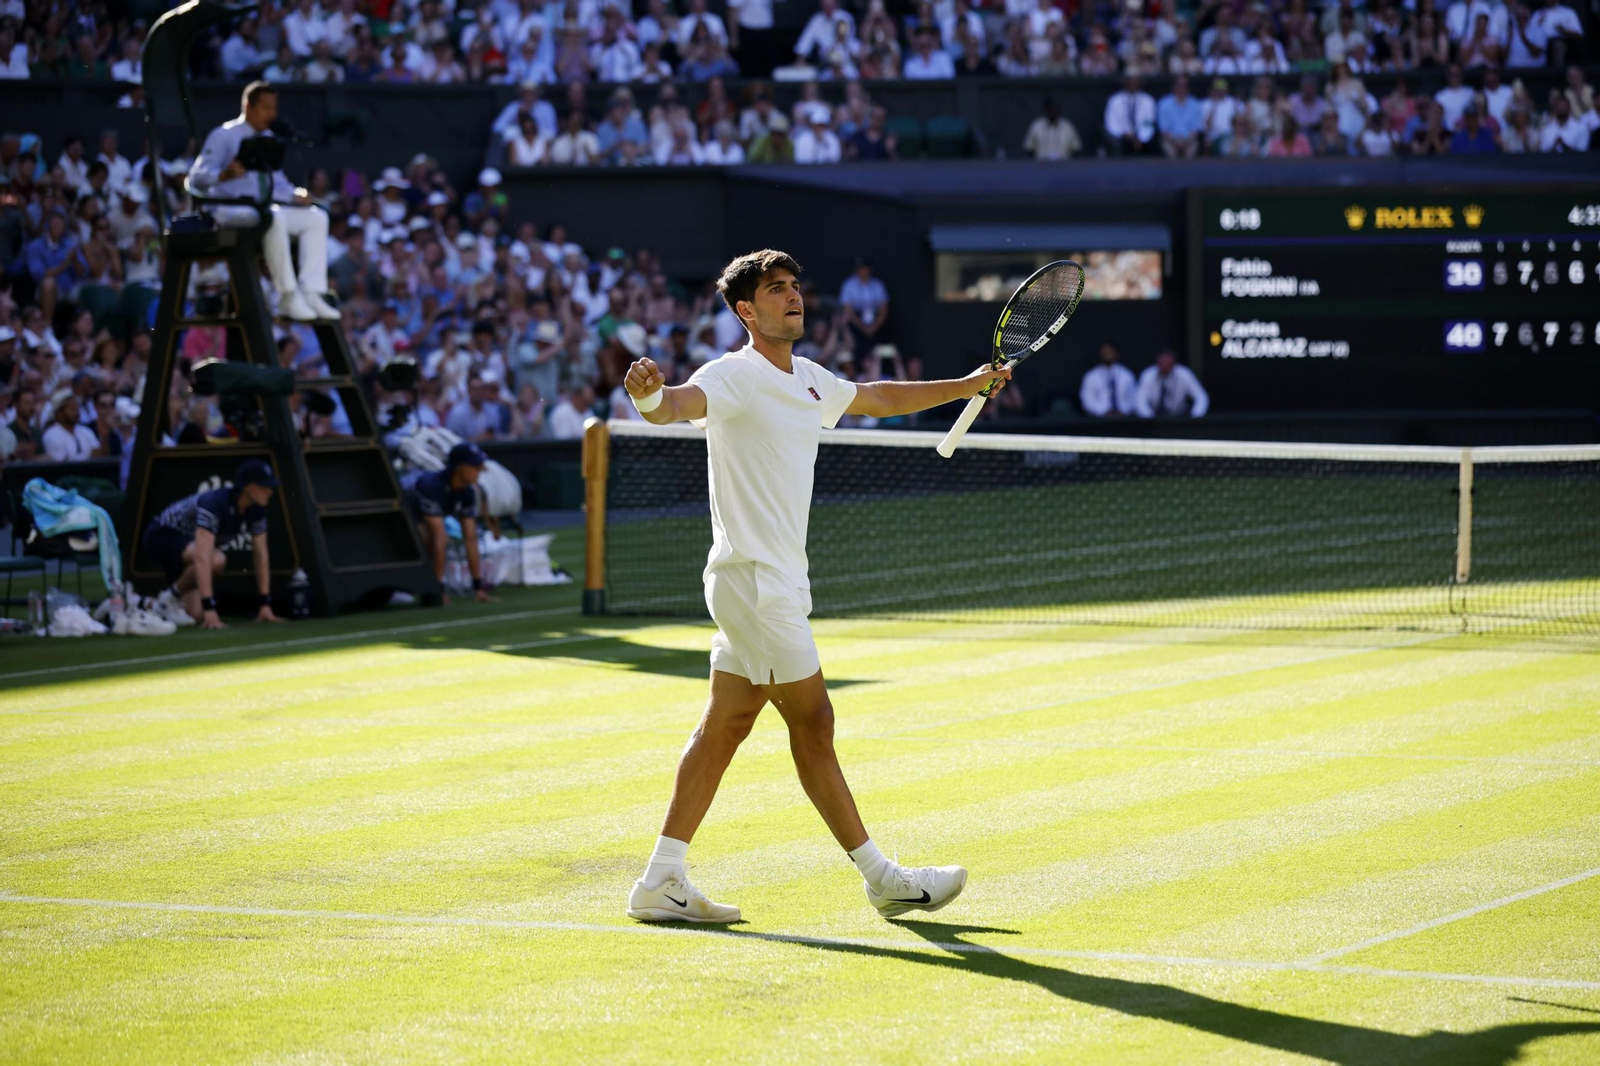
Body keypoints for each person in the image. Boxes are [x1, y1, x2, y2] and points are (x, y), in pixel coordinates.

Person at [619, 248, 1012, 923]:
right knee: (814, 721)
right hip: (755, 585)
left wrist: (968, 383)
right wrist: (650, 394)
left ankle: (661, 879)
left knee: (725, 726)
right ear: (746, 310)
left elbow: (883, 397)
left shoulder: (808, 378)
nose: (792, 297)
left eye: (795, 286)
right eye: (776, 290)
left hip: (766, 585)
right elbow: (672, 407)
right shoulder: (733, 375)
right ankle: (882, 877)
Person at [189, 81, 337, 322]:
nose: (272, 114)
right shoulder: (224, 135)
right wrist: (221, 175)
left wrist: (295, 195)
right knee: (274, 216)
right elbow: (195, 179)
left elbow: (275, 183)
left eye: (274, 108)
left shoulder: (268, 139)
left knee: (315, 218)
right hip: (229, 210)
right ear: (249, 107)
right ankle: (288, 296)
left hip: (262, 209)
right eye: (266, 108)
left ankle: (312, 292)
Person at [141, 459, 283, 629]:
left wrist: (265, 604)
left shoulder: (257, 509)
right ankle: (169, 599)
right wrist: (210, 609)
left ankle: (141, 603)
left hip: (189, 546)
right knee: (216, 560)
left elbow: (261, 554)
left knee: (194, 614)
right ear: (248, 487)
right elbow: (202, 556)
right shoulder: (216, 504)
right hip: (161, 536)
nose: (270, 491)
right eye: (264, 486)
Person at [403, 442, 493, 605]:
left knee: (445, 537)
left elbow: (470, 539)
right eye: (474, 465)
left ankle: (431, 589)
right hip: (402, 516)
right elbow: (439, 539)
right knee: (429, 538)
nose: (480, 469)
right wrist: (441, 592)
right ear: (459, 467)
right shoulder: (432, 487)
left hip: (421, 516)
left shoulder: (467, 492)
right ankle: (426, 589)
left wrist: (478, 588)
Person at [1134, 350, 1210, 418]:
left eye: (1167, 365)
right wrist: (1149, 419)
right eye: (1162, 365)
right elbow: (1140, 400)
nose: (1165, 368)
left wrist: (1195, 417)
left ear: (1173, 364)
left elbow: (1201, 397)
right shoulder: (1148, 375)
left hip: (1179, 418)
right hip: (1154, 419)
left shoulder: (1184, 374)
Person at [1079, 340, 1137, 417]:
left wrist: (1122, 412)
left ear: (1116, 352)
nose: (1107, 353)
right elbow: (1087, 400)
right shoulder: (1091, 376)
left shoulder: (1127, 375)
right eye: (1105, 351)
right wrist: (1104, 412)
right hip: (1098, 420)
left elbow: (1133, 397)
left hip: (1124, 419)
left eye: (1110, 351)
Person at [40, 394, 100, 460]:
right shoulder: (51, 435)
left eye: (77, 408)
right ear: (60, 413)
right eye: (72, 409)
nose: (77, 412)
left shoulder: (86, 431)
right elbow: (61, 463)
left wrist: (104, 436)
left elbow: (97, 455)